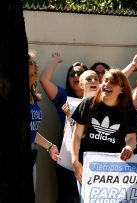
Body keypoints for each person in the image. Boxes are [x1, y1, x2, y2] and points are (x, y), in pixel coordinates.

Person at [70, 68, 137, 199]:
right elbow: (76, 135)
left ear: (122, 89)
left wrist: (129, 147)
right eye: (105, 81)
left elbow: (131, 138)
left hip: (114, 168)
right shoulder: (88, 103)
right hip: (88, 166)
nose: (106, 85)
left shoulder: (129, 110)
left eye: (112, 82)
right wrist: (75, 160)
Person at [39, 52, 88, 203]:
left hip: (90, 155)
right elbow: (44, 80)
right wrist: (55, 61)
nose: (75, 75)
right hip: (67, 156)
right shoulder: (63, 96)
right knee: (66, 198)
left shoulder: (98, 98)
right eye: (72, 73)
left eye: (80, 73)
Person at [28, 50, 61, 191]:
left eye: (33, 62)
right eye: (30, 62)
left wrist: (50, 146)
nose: (35, 65)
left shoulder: (31, 94)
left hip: (30, 156)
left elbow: (31, 131)